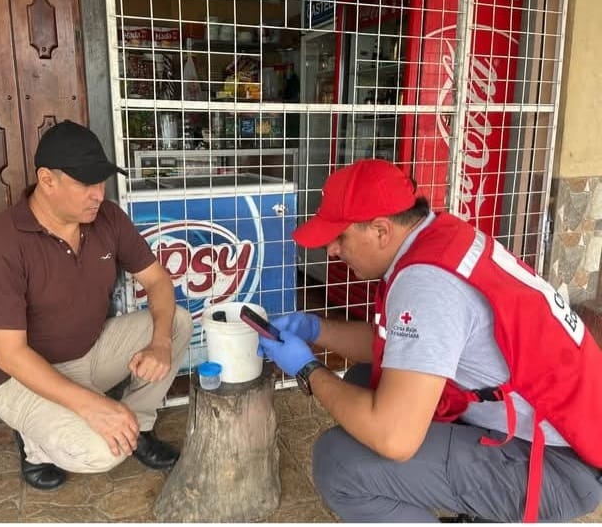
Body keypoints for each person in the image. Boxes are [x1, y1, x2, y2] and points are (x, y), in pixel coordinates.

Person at [258, 159, 602, 522]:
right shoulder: (440, 237)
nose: (331, 250)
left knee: (338, 463)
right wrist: (315, 329)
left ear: (381, 230)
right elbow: (392, 346)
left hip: (557, 467)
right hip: (567, 434)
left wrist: (309, 370)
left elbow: (395, 438)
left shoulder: (426, 284)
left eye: (340, 237)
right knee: (363, 381)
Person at [0, 120, 193, 491]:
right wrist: (91, 406)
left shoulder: (108, 218)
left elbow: (157, 281)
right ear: (47, 180)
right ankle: (34, 445)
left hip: (89, 352)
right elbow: (8, 354)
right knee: (102, 452)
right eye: (86, 184)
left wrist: (160, 344)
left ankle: (137, 425)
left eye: (101, 182)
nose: (98, 195)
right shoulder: (1, 243)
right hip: (19, 378)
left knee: (177, 322)